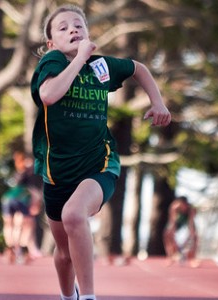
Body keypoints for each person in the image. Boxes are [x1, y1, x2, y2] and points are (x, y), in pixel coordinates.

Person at [30, 5, 171, 300]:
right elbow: (49, 95)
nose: (73, 30)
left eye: (78, 25)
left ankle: (90, 296)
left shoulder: (101, 66)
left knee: (73, 214)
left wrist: (157, 102)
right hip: (56, 172)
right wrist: (79, 58)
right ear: (51, 44)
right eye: (64, 27)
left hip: (99, 163)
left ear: (88, 33)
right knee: (64, 253)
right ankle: (69, 296)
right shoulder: (52, 63)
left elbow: (137, 68)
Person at [1, 149, 43, 264]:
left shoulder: (17, 174)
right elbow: (35, 192)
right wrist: (36, 204)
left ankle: (11, 246)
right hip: (20, 199)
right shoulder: (31, 177)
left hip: (7, 198)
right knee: (27, 224)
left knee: (9, 224)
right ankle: (19, 247)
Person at [163, 196, 200, 268]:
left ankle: (193, 258)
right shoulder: (174, 208)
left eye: (183, 205)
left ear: (186, 204)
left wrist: (191, 236)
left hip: (187, 222)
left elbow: (191, 224)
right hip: (177, 222)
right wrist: (172, 237)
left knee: (195, 236)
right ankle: (170, 256)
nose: (182, 207)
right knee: (167, 234)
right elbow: (172, 222)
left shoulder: (191, 209)